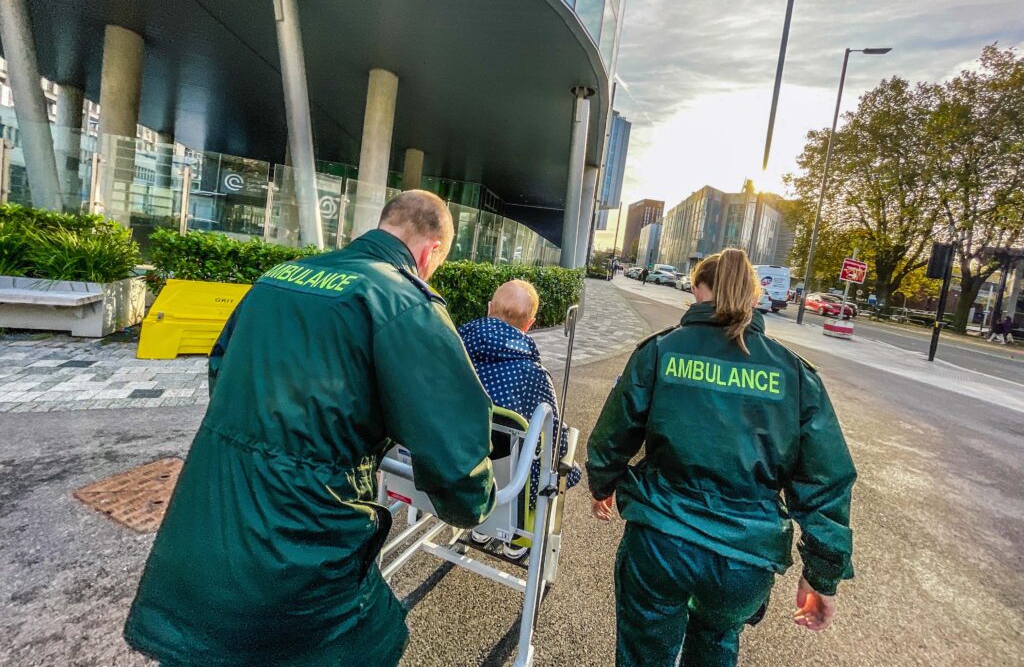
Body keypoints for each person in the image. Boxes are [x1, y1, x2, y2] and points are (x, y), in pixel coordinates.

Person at [124, 191, 497, 667]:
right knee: (372, 638)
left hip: (209, 507)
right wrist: (470, 504)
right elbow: (452, 445)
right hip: (304, 529)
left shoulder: (278, 277)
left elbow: (222, 369)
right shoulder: (402, 300)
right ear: (432, 251)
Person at [587, 248, 857, 667]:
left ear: (697, 290)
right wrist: (822, 574)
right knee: (715, 644)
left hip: (661, 540)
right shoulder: (793, 374)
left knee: (644, 654)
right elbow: (826, 481)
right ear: (754, 297)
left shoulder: (661, 351)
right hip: (743, 559)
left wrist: (603, 485)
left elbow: (613, 433)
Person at [458, 280, 582, 559]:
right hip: (506, 484)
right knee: (541, 454)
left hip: (449, 464)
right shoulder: (533, 375)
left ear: (489, 309)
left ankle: (480, 526)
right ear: (529, 324)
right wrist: (569, 462)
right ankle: (512, 538)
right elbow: (553, 440)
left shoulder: (452, 349)